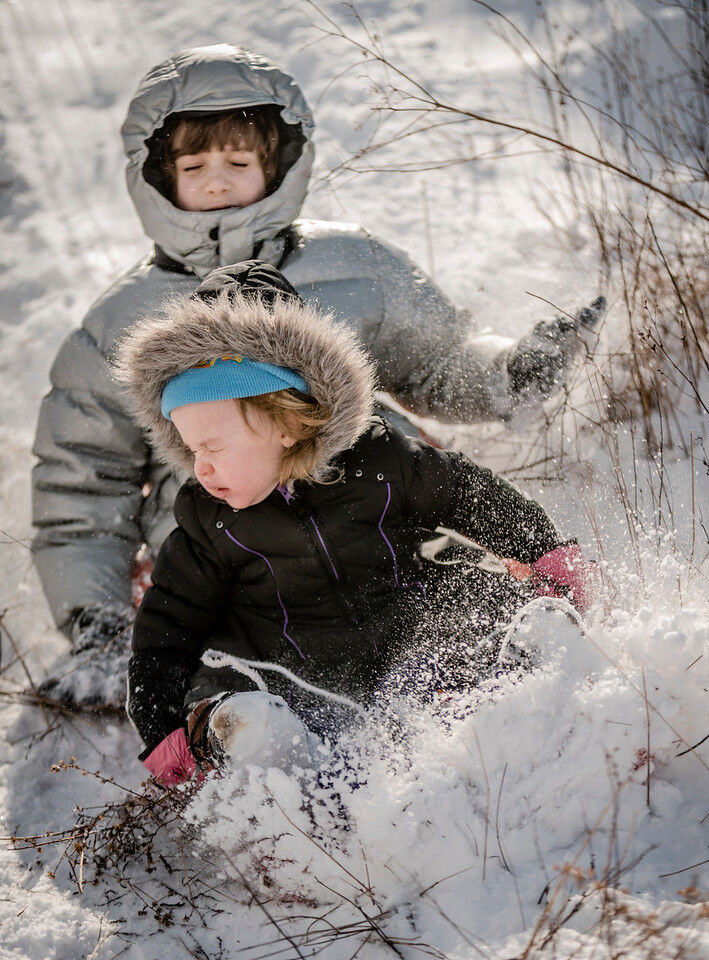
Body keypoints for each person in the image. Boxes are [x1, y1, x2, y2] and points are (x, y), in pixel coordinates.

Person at [32, 44, 604, 709]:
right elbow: (80, 482)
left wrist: (507, 372)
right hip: (231, 547)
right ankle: (240, 719)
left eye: (238, 162)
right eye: (194, 165)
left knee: (414, 515)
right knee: (230, 633)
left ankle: (494, 655)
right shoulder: (118, 322)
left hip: (359, 504)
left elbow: (436, 361)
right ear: (157, 177)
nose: (217, 181)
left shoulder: (351, 263)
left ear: (278, 164)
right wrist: (95, 622)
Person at [115, 260, 595, 786]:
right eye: (188, 447)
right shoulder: (209, 520)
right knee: (257, 707)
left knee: (476, 616)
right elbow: (167, 629)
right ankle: (256, 746)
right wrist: (160, 725)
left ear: (288, 424)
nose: (198, 465)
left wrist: (545, 554)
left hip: (415, 629)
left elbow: (470, 495)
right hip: (302, 679)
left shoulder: (379, 461)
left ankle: (540, 675)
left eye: (213, 446)